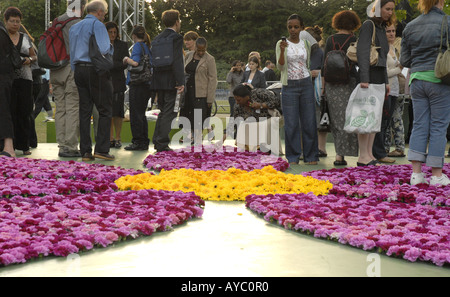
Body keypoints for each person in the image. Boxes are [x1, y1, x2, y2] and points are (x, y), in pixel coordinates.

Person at [400, 0, 450, 186]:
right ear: (441, 1)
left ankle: (416, 174)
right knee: (438, 126)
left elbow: (404, 59)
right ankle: (437, 175)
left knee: (419, 124)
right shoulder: (447, 21)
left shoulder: (411, 26)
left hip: (416, 80)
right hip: (440, 80)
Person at [69, 0, 115, 161]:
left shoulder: (74, 27)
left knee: (84, 111)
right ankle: (102, 149)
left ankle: (86, 151)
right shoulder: (98, 25)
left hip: (79, 69)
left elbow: (72, 52)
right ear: (100, 12)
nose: (104, 15)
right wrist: (111, 49)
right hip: (95, 70)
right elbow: (103, 49)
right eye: (105, 12)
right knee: (105, 109)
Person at [355, 0, 395, 166]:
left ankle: (369, 153)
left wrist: (386, 81)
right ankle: (363, 155)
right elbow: (362, 52)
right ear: (378, 9)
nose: (390, 12)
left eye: (392, 9)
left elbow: (383, 58)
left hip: (379, 78)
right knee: (365, 117)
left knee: (374, 118)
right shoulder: (368, 25)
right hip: (369, 77)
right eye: (387, 9)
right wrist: (364, 78)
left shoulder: (380, 27)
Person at [276, 14, 318, 165]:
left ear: (301, 28)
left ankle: (311, 156)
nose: (293, 30)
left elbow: (310, 60)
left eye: (296, 27)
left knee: (309, 121)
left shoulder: (306, 43)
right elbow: (280, 67)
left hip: (306, 84)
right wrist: (282, 51)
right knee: (292, 124)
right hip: (289, 86)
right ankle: (293, 157)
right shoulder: (281, 43)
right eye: (290, 27)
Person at [322, 10, 361, 166]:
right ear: (354, 23)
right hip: (350, 81)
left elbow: (324, 66)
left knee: (337, 119)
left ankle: (339, 155)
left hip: (332, 83)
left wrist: (323, 88)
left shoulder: (330, 40)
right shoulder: (355, 40)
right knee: (351, 117)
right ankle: (357, 152)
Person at [51, 0, 85, 158]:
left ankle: (62, 144)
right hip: (71, 68)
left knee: (60, 108)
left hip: (55, 69)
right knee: (72, 107)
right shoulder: (78, 23)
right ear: (82, 7)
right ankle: (71, 146)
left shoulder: (56, 21)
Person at [151, 9, 185, 152]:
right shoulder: (176, 38)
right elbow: (177, 61)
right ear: (177, 22)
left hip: (159, 80)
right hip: (172, 80)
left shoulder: (157, 38)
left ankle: (157, 140)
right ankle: (162, 142)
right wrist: (180, 81)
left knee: (163, 111)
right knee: (170, 112)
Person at [4, 7, 37, 156]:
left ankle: (24, 144)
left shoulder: (25, 37)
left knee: (25, 111)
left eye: (18, 21)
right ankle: (7, 144)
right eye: (12, 21)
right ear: (6, 21)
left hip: (25, 78)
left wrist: (28, 60)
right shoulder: (2, 37)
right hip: (7, 79)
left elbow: (34, 56)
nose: (15, 24)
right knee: (9, 111)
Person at [123, 26, 153, 151]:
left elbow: (135, 62)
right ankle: (144, 140)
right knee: (142, 114)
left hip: (137, 83)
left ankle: (137, 141)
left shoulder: (137, 46)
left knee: (135, 114)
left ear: (134, 35)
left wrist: (126, 59)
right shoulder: (147, 48)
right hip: (147, 84)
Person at [184, 37, 218, 145]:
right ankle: (192, 137)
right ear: (196, 48)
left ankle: (198, 139)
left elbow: (213, 79)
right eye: (199, 50)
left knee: (199, 117)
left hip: (201, 94)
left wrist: (210, 98)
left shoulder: (210, 59)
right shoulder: (189, 55)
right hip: (188, 91)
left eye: (203, 50)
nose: (201, 52)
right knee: (189, 116)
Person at [231, 84, 283, 154]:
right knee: (243, 125)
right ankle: (249, 147)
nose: (237, 102)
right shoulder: (238, 106)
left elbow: (276, 101)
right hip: (253, 121)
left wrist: (261, 105)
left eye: (239, 100)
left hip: (271, 116)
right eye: (236, 100)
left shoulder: (258, 93)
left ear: (246, 97)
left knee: (267, 124)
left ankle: (269, 148)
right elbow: (235, 119)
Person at [305, 25, 327, 159]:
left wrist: (318, 73)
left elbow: (325, 68)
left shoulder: (320, 52)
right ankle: (308, 147)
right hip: (305, 87)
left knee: (321, 117)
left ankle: (321, 148)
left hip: (317, 88)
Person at [105, 21, 129, 149]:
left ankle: (118, 138)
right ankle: (110, 138)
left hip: (119, 81)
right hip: (105, 81)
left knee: (118, 112)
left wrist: (112, 65)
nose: (113, 34)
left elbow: (125, 62)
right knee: (108, 111)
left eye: (115, 32)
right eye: (110, 32)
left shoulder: (123, 45)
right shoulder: (101, 45)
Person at [384, 22, 405, 157]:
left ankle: (399, 147)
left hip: (399, 88)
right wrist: (399, 68)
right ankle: (385, 148)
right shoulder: (383, 50)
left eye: (393, 31)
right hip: (388, 89)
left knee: (397, 119)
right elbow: (385, 72)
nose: (392, 33)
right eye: (388, 31)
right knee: (388, 120)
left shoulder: (395, 48)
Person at [0, 14, 17, 157]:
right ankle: (8, 146)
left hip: (3, 77)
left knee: (3, 110)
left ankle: (8, 146)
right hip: (5, 76)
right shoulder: (3, 31)